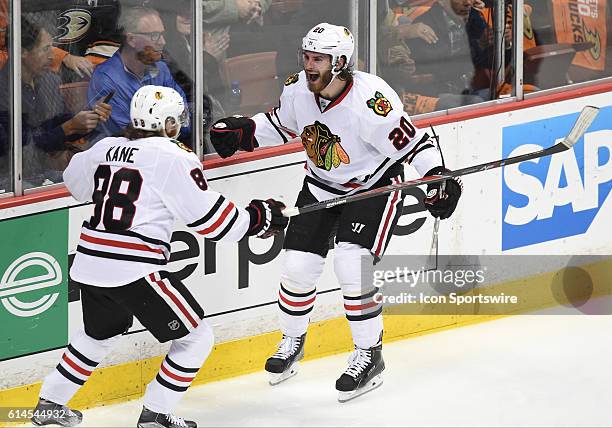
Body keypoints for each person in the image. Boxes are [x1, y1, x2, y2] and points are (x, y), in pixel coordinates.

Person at [209, 23, 462, 402]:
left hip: (373, 186)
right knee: (296, 268)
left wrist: (437, 176)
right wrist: (245, 133)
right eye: (307, 57)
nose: (309, 65)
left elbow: (415, 143)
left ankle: (369, 355)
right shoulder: (298, 87)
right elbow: (282, 125)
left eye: (318, 59)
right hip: (320, 184)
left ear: (340, 62)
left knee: (351, 264)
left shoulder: (373, 100)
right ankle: (292, 341)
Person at [30, 85, 288, 428]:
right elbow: (213, 221)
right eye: (177, 119)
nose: (179, 125)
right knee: (196, 338)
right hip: (135, 267)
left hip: (90, 261)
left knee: (98, 335)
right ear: (167, 122)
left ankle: (49, 404)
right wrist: (260, 217)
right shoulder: (173, 156)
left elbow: (75, 182)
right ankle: (156, 414)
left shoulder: (105, 147)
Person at [0, 17, 111, 188]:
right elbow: (23, 146)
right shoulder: (4, 90)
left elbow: (53, 126)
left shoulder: (48, 81)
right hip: (10, 180)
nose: (53, 56)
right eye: (45, 49)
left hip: (43, 174)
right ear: (22, 51)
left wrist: (88, 119)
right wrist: (69, 128)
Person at [87, 6, 190, 144]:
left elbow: (184, 117)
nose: (162, 42)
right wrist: (170, 125)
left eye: (162, 34)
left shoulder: (161, 68)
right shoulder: (106, 79)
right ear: (131, 39)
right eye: (154, 35)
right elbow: (131, 135)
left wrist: (171, 128)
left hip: (164, 148)